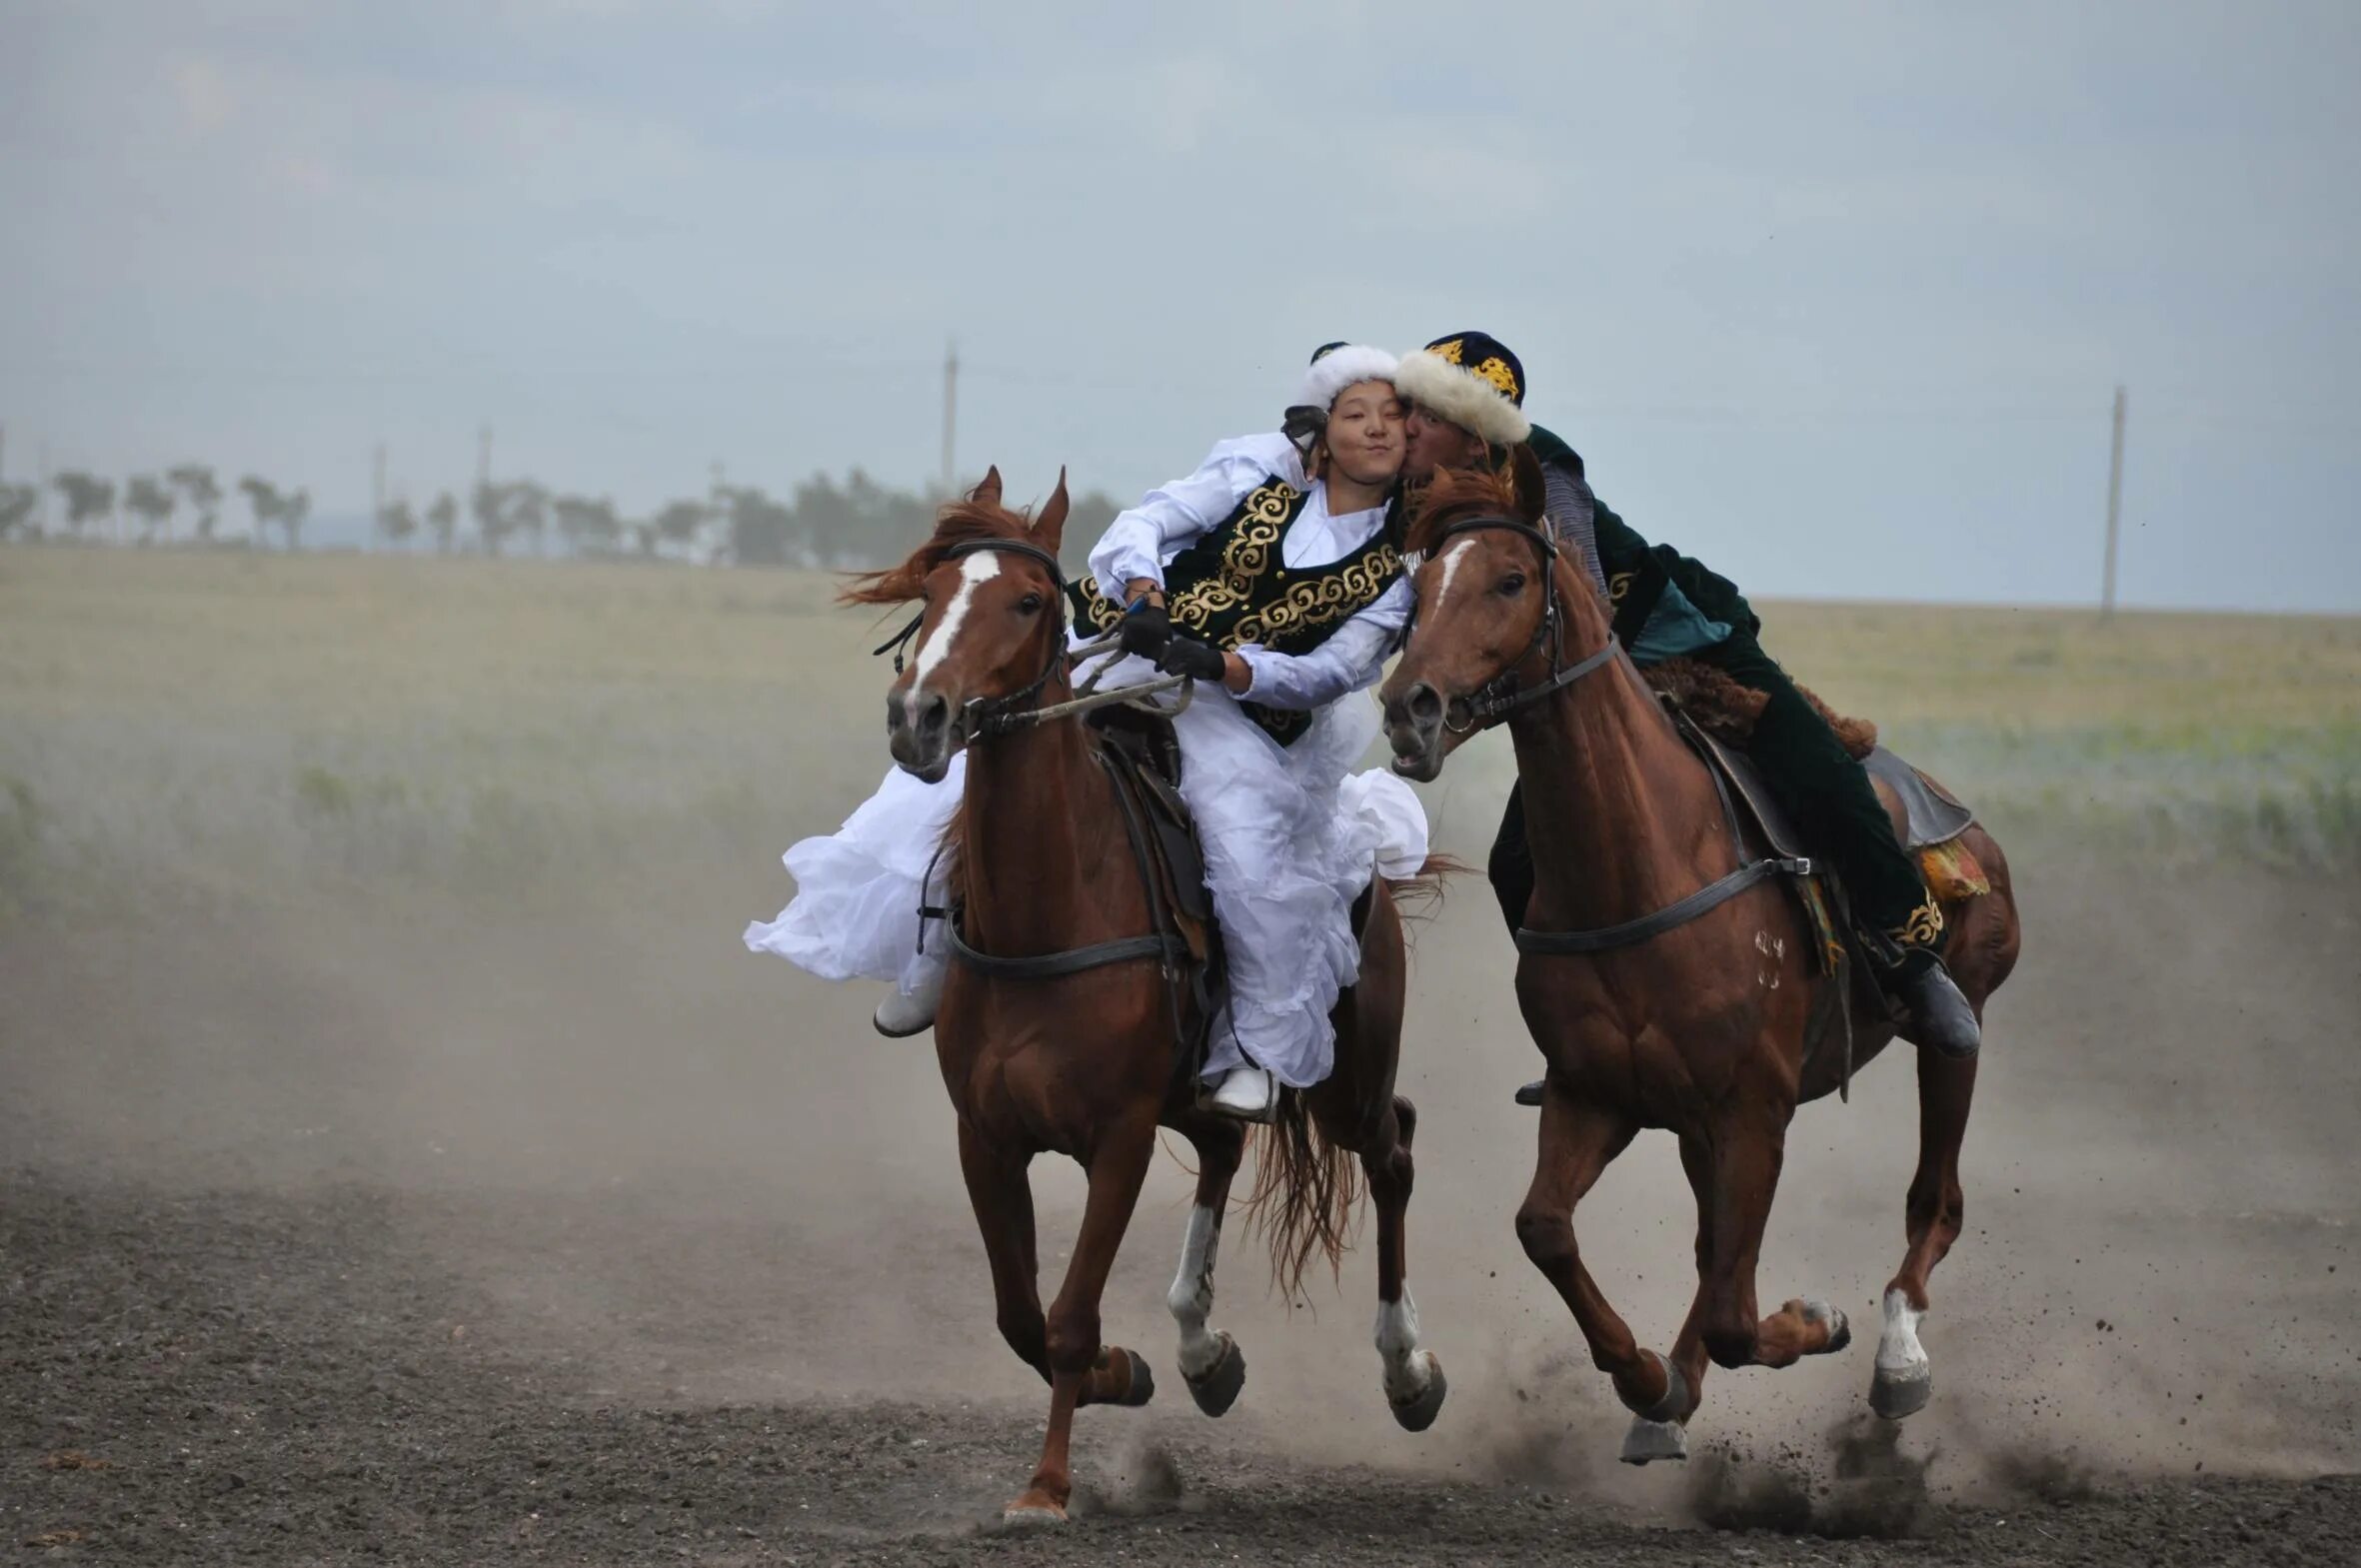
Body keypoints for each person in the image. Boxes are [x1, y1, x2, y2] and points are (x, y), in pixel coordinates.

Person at [747, 344, 1429, 1122]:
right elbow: (1152, 518)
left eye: (1390, 418)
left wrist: (1225, 663)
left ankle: (1250, 1052)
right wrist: (1144, 592)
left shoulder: (1400, 567)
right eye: (1355, 414)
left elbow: (1337, 670)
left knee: (1250, 860)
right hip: (1114, 650)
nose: (1374, 430)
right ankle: (935, 953)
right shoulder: (1256, 470)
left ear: (1411, 439)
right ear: (1325, 426)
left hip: (1230, 712)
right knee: (976, 764)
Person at [1391, 332, 1982, 1084]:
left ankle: (1914, 959)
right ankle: (1583, 1032)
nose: (1405, 424)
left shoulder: (1543, 465)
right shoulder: (1424, 497)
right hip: (1596, 696)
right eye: (1405, 409)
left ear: (1472, 433)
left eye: (1423, 412)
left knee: (1824, 777)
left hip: (1686, 649)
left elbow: (1589, 600)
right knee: (1516, 862)